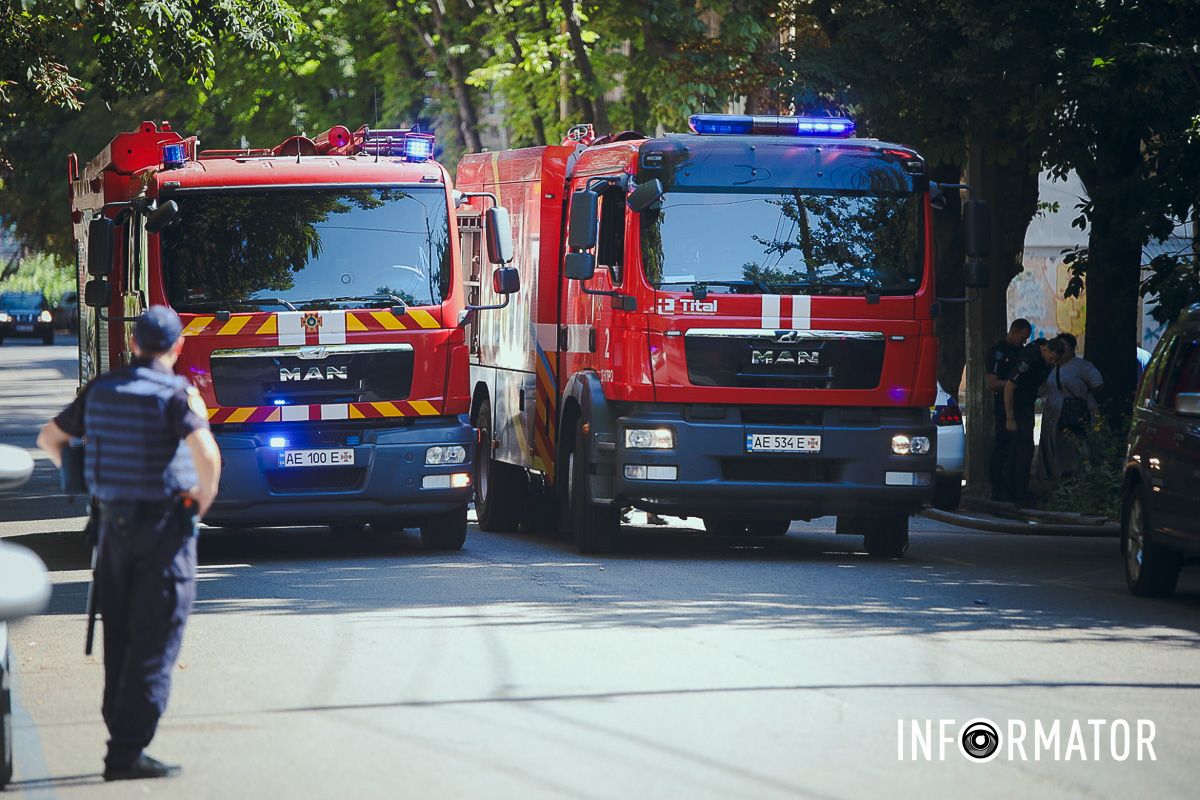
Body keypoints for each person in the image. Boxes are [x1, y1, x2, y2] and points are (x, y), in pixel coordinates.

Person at [37, 306, 221, 782]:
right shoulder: (177, 393)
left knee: (119, 635)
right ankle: (126, 751)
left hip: (111, 532)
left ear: (133, 344)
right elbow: (206, 455)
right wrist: (198, 505)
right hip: (162, 532)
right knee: (155, 638)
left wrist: (83, 477)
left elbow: (50, 438)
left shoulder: (100, 390)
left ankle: (120, 732)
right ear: (178, 347)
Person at [1040, 334, 1103, 479]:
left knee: (1077, 446)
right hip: (1054, 415)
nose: (1061, 349)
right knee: (1057, 447)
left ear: (1073, 349)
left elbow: (1098, 384)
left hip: (1076, 414)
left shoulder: (1083, 366)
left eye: (1064, 346)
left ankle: (1080, 478)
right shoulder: (1051, 366)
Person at [1003, 337, 1057, 505]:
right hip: (1017, 407)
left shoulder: (1044, 362)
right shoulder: (1030, 359)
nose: (1053, 363)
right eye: (1051, 358)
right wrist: (1010, 417)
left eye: (1056, 361)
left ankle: (1015, 491)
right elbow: (1010, 387)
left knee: (1020, 449)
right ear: (1046, 349)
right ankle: (1017, 493)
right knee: (1022, 450)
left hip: (1026, 406)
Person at [986, 318, 1032, 500]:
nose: (1023, 342)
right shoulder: (998, 352)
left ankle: (1015, 488)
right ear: (1013, 332)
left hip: (1021, 405)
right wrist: (1013, 385)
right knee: (1003, 446)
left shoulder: (1022, 352)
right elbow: (992, 383)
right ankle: (998, 489)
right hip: (1003, 406)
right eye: (1022, 338)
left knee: (1019, 448)